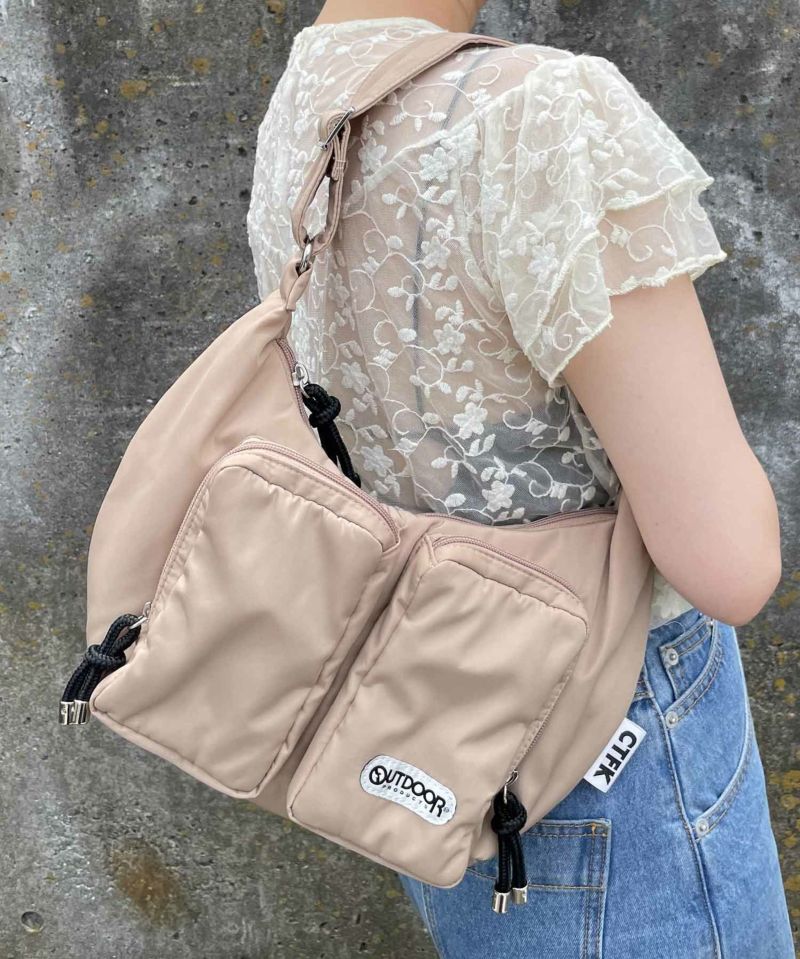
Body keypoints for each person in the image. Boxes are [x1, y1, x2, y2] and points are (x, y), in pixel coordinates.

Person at [246, 2, 794, 955]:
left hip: (427, 718)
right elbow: (730, 564)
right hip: (611, 740)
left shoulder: (311, 94)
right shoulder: (542, 111)